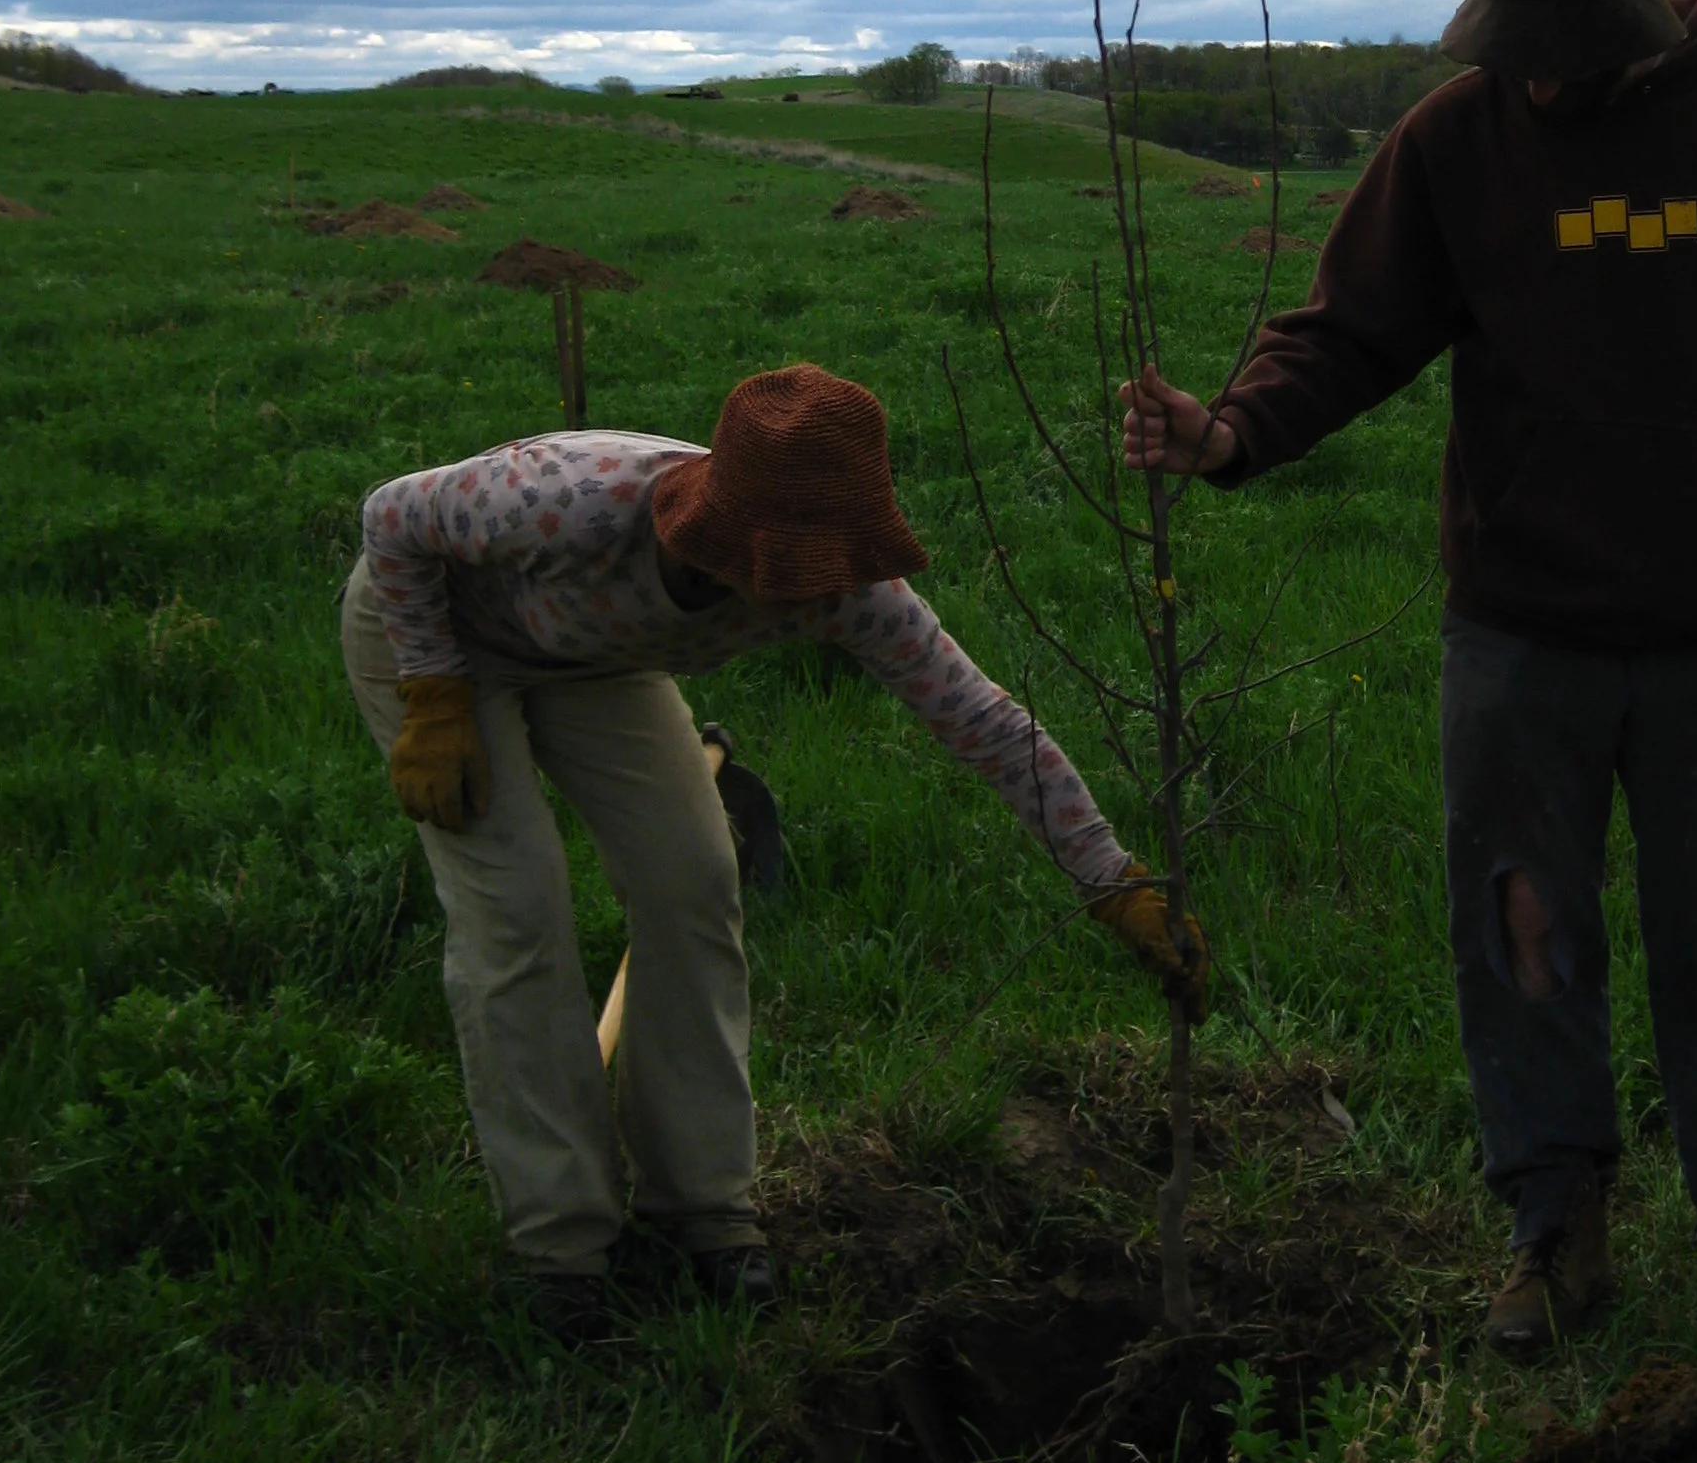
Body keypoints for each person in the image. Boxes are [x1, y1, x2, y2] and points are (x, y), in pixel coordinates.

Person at [1122, 0, 1697, 1353]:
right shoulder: (1457, 138)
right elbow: (1349, 329)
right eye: (1511, 45)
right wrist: (1233, 431)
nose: (1532, 76)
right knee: (1523, 929)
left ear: (1629, 18)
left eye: (1555, 48)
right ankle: (1554, 1225)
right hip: (1521, 630)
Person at [343, 362, 1207, 1342]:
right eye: (785, 567)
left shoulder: (843, 585)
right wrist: (434, 691)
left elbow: (988, 724)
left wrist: (1115, 884)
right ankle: (561, 1243)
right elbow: (391, 515)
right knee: (517, 913)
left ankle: (701, 1205)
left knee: (695, 880)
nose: (809, 595)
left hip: (598, 658)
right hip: (443, 634)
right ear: (722, 534)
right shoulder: (567, 502)